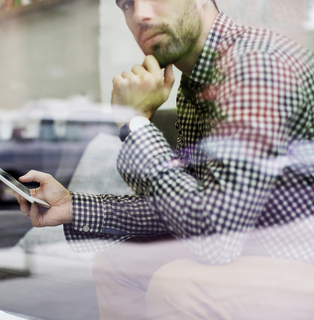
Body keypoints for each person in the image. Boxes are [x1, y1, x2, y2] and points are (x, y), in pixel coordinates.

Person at [16, 0, 314, 318]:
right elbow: (188, 207)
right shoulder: (196, 80)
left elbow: (216, 234)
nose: (140, 15)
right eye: (127, 3)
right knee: (118, 263)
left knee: (179, 284)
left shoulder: (255, 64)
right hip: (251, 249)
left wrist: (135, 123)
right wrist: (72, 206)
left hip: (296, 261)